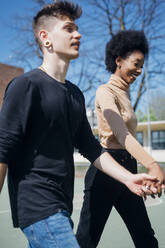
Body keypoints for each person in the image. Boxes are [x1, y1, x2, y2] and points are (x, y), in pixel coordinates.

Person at [0, 3, 159, 248]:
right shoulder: (25, 85)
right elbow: (3, 149)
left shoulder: (75, 94)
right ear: (46, 38)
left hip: (60, 206)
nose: (78, 34)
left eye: (77, 28)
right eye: (69, 28)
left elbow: (91, 148)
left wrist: (128, 178)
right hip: (39, 207)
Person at [76, 30, 165, 248]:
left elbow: (129, 139)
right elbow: (121, 134)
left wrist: (140, 172)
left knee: (146, 239)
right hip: (106, 170)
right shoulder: (105, 91)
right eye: (136, 63)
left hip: (129, 168)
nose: (140, 70)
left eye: (142, 65)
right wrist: (152, 165)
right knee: (86, 242)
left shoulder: (125, 93)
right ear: (118, 61)